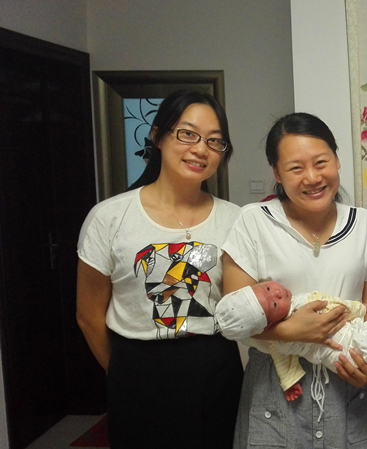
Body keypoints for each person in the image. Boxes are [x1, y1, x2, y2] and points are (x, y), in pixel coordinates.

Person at [76, 89, 243, 449]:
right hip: (137, 376)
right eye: (188, 134)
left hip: (217, 372)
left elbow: (242, 305)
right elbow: (88, 316)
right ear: (158, 136)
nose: (201, 149)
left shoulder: (236, 219)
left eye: (214, 141)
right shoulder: (109, 217)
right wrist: (123, 372)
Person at [222, 112, 367, 448]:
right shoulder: (253, 222)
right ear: (277, 173)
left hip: (348, 382)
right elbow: (234, 318)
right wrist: (292, 332)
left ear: (337, 160)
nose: (312, 177)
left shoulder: (366, 225)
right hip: (276, 386)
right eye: (296, 168)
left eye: (321, 162)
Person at [216, 281, 367, 402]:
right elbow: (336, 306)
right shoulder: (303, 303)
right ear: (268, 325)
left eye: (267, 287)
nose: (276, 293)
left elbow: (283, 361)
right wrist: (359, 309)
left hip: (337, 363)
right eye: (274, 304)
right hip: (348, 344)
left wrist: (289, 381)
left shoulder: (279, 342)